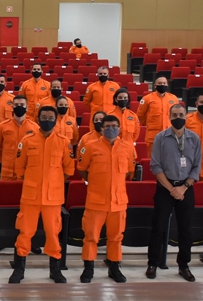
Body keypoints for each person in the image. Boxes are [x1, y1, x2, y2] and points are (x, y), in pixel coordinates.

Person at [8, 105, 74, 284]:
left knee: (53, 234)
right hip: (30, 196)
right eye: (43, 117)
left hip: (53, 198)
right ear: (38, 119)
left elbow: (68, 169)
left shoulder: (63, 141)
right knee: (25, 232)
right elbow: (19, 168)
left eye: (50, 117)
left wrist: (53, 180)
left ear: (55, 119)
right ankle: (19, 269)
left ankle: (55, 270)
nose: (47, 120)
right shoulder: (27, 140)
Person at [76, 113, 137, 283]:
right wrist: (94, 181)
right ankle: (88, 268)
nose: (111, 129)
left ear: (120, 128)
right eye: (107, 127)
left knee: (116, 237)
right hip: (96, 200)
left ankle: (114, 268)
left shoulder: (127, 147)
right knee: (90, 237)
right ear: (101, 129)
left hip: (118, 202)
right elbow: (82, 168)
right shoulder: (89, 146)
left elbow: (129, 171)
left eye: (114, 127)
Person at [146, 104, 200, 282]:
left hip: (186, 189)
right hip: (165, 188)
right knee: (158, 228)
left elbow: (196, 167)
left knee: (185, 230)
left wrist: (183, 187)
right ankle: (153, 263)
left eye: (181, 114)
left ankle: (183, 266)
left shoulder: (194, 138)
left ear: (186, 116)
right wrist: (171, 189)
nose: (178, 117)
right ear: (169, 117)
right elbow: (155, 165)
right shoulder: (160, 138)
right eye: (175, 114)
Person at [0, 95, 39, 181]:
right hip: (7, 173)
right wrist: (4, 160)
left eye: (22, 105)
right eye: (16, 105)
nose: (19, 107)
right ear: (12, 107)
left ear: (27, 107)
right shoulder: (2, 126)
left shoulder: (35, 128)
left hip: (27, 172)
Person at [137, 77, 179, 153]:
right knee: (152, 159)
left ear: (167, 85)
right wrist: (150, 124)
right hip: (153, 135)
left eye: (164, 83)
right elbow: (140, 115)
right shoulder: (147, 98)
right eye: (159, 83)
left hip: (169, 133)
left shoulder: (174, 98)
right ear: (155, 85)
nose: (162, 85)